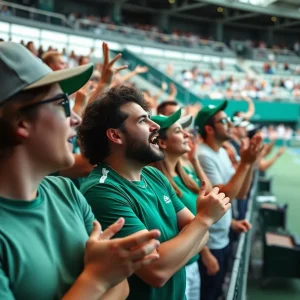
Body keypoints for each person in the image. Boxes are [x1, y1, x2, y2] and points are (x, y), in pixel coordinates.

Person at [0, 42, 161, 300]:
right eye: (63, 104)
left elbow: (121, 288)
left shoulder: (66, 193)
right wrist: (96, 278)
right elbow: (110, 279)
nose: (75, 119)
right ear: (21, 122)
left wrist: (104, 278)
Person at [78, 85, 231, 300]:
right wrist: (204, 220)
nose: (154, 127)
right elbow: (156, 271)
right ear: (115, 135)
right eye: (142, 121)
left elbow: (200, 237)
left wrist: (193, 232)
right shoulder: (102, 191)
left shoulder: (154, 175)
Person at [194, 101, 262, 300]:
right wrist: (245, 163)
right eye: (223, 120)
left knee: (217, 292)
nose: (229, 124)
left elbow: (240, 193)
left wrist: (248, 164)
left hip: (222, 236)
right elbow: (223, 195)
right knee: (209, 294)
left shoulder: (222, 152)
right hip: (210, 242)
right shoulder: (203, 155)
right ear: (209, 128)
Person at [151, 109, 212, 300]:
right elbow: (198, 222)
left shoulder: (184, 170)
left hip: (191, 261)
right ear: (161, 142)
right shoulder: (157, 181)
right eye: (178, 131)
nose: (187, 134)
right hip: (176, 266)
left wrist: (194, 159)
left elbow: (207, 196)